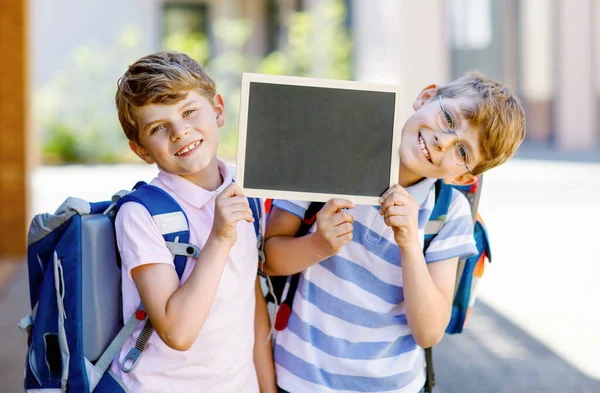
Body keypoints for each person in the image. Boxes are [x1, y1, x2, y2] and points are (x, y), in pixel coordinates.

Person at [263, 71, 526, 393]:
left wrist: (409, 244)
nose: (443, 141)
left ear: (461, 177)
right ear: (425, 96)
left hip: (392, 386)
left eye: (462, 152)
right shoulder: (327, 159)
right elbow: (269, 259)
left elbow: (428, 333)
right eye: (447, 118)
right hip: (301, 379)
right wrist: (318, 244)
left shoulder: (448, 213)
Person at [110, 51, 277, 393]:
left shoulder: (244, 193)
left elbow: (251, 301)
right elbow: (178, 332)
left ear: (217, 109)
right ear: (141, 149)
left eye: (188, 112)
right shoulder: (141, 214)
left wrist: (266, 388)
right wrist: (219, 237)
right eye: (159, 127)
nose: (180, 132)